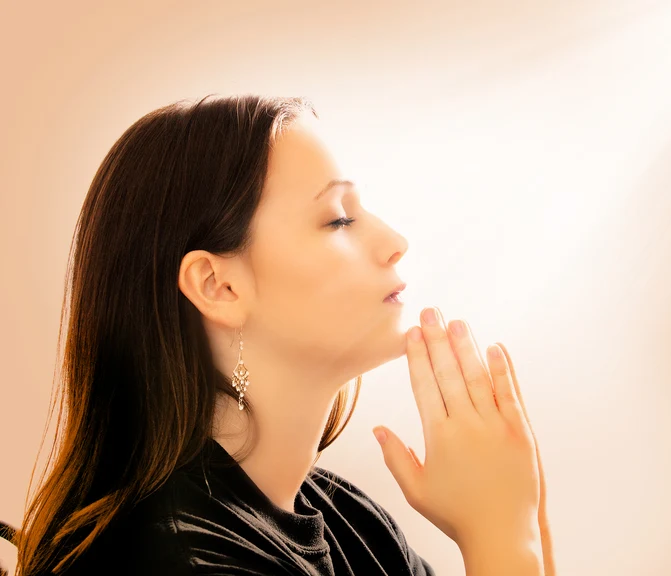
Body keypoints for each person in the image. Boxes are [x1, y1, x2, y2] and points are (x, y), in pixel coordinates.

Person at [11, 94, 554, 576]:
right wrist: (502, 533)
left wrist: (518, 506)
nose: (395, 241)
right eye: (338, 219)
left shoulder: (352, 523)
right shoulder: (169, 558)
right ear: (219, 286)